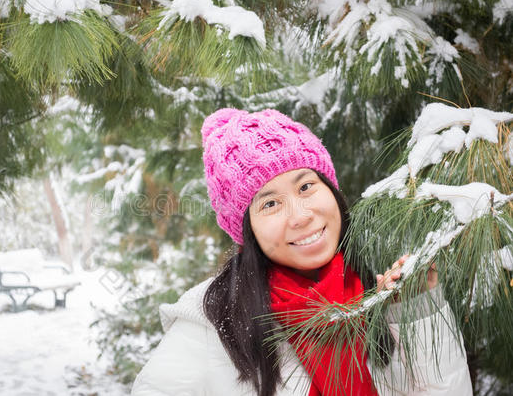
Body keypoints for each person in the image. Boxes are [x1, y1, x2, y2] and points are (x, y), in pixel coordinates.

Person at [131, 108, 472, 396]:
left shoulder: (377, 291)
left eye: (307, 186)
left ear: (331, 189)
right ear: (246, 230)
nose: (301, 216)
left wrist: (418, 309)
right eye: (270, 203)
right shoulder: (213, 320)